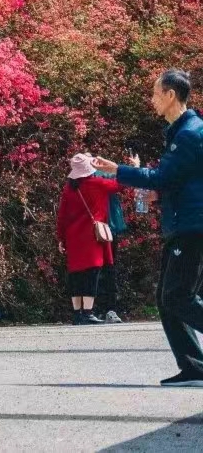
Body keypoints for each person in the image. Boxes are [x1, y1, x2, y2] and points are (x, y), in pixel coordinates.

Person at [93, 69, 203, 386]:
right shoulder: (179, 133)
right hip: (182, 225)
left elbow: (161, 180)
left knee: (178, 296)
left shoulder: (189, 135)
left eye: (156, 93)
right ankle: (195, 366)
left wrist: (119, 171)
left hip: (193, 227)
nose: (152, 99)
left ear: (170, 96)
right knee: (166, 297)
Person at [56, 154, 120, 325]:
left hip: (73, 236)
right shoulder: (96, 183)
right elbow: (119, 185)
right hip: (92, 235)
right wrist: (133, 167)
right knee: (92, 273)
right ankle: (89, 312)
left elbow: (62, 216)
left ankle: (77, 314)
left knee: (76, 274)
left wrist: (61, 238)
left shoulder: (69, 189)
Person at [95, 187, 127, 323]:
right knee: (103, 268)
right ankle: (102, 308)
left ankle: (107, 308)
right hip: (101, 225)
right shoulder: (94, 176)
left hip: (107, 226)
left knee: (107, 267)